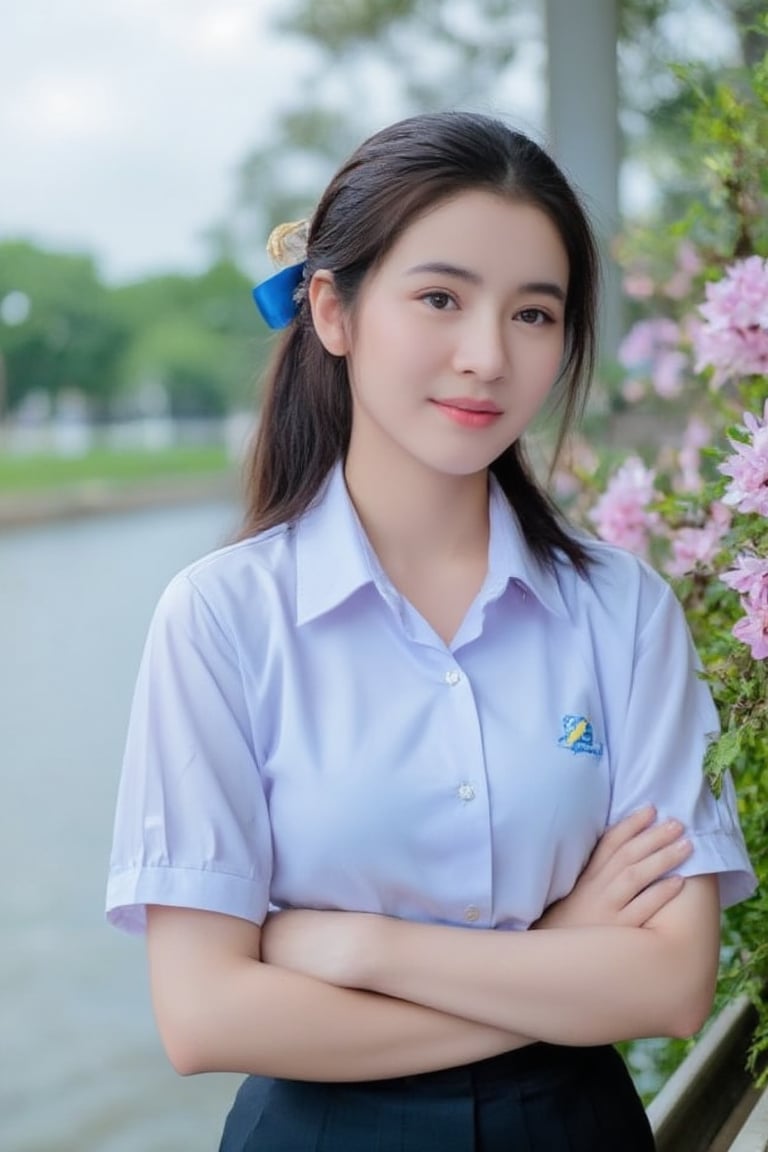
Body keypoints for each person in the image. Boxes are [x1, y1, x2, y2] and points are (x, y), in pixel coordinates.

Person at [106, 111, 756, 1151]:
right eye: (441, 298)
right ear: (333, 310)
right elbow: (204, 1016)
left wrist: (359, 947)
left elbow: (671, 984)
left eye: (535, 314)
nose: (488, 356)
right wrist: (559, 955)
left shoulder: (623, 611)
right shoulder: (224, 617)